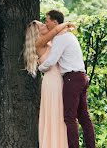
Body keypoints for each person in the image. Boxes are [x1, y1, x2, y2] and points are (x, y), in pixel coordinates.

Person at [38, 10, 96, 148]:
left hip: (72, 79)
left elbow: (52, 60)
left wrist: (39, 67)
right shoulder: (70, 36)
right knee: (84, 117)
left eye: (47, 20)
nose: (46, 23)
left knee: (69, 118)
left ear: (55, 22)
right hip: (82, 77)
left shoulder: (60, 38)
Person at [24, 17, 75, 148]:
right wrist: (67, 24)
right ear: (37, 33)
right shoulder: (40, 43)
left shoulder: (50, 43)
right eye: (42, 26)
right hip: (52, 82)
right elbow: (56, 29)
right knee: (55, 113)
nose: (46, 26)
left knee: (60, 114)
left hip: (58, 80)